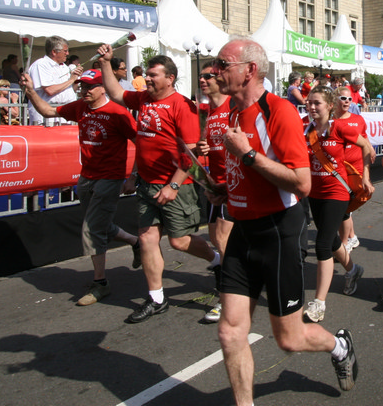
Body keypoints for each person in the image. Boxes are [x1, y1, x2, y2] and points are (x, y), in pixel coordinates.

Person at [209, 38, 357, 404]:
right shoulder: (232, 112)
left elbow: (302, 183)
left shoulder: (280, 112)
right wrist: (226, 189)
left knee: (289, 339)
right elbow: (250, 172)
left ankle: (339, 346)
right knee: (229, 332)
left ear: (250, 70)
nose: (214, 70)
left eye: (223, 64)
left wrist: (247, 155)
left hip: (278, 232)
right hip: (243, 231)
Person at [95, 44, 218, 324]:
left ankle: (217, 261)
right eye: (147, 74)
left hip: (176, 186)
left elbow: (192, 155)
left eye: (153, 75)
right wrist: (104, 63)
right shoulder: (143, 99)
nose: (147, 79)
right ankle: (157, 298)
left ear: (170, 78)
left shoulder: (182, 106)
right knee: (147, 238)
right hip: (147, 184)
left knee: (179, 241)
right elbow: (116, 93)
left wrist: (173, 186)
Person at [20, 69, 141, 305]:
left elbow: (141, 143)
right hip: (86, 176)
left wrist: (132, 176)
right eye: (82, 86)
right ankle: (135, 242)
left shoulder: (118, 113)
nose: (84, 91)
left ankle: (100, 283)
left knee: (92, 228)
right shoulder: (80, 107)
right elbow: (48, 111)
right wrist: (31, 91)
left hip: (110, 177)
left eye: (90, 87)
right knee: (100, 225)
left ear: (103, 88)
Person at [302, 86, 371, 323]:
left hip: (337, 191)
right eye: (309, 102)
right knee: (330, 240)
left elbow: (366, 146)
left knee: (322, 245)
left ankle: (319, 303)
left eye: (317, 103)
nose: (311, 107)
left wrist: (365, 176)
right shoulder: (306, 129)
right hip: (315, 192)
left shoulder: (339, 128)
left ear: (330, 106)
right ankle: (353, 270)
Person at [195, 62, 234, 324]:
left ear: (220, 79)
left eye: (208, 76)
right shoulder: (206, 111)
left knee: (222, 239)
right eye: (201, 76)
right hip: (215, 183)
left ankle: (228, 299)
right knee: (216, 239)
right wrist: (203, 147)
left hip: (235, 183)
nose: (203, 80)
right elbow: (204, 142)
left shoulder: (233, 106)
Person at [334, 85, 374, 253]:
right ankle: (351, 237)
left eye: (350, 99)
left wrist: (371, 150)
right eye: (343, 98)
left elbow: (364, 138)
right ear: (335, 99)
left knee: (345, 207)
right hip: (337, 169)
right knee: (344, 207)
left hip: (355, 169)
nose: (347, 102)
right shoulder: (330, 120)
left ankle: (345, 243)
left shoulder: (358, 120)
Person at [27, 36, 82, 126]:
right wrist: (71, 80)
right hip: (47, 116)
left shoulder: (64, 67)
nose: (67, 53)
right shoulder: (41, 65)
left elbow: (71, 89)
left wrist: (76, 78)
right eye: (65, 51)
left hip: (63, 115)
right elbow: (50, 90)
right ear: (54, 52)